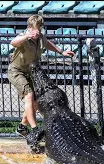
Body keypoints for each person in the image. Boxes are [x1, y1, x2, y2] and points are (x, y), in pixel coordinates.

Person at [8, 15, 75, 146]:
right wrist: (27, 36)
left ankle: (22, 127)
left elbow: (47, 43)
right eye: (35, 31)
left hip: (31, 72)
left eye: (39, 30)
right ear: (29, 28)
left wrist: (61, 52)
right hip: (17, 72)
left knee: (35, 103)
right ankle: (35, 130)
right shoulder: (24, 37)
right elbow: (13, 42)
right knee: (29, 96)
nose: (37, 34)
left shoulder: (40, 38)